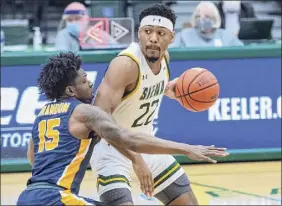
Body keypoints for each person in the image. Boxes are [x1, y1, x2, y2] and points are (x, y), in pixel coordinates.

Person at [16, 52, 228, 206]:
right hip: (57, 198)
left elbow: (33, 156)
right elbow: (127, 138)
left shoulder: (42, 115)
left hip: (28, 195)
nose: (90, 83)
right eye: (84, 81)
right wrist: (185, 148)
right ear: (71, 90)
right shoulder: (84, 112)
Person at [90, 4, 228, 206]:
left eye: (160, 33)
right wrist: (136, 159)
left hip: (146, 143)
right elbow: (98, 121)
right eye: (148, 32)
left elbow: (138, 87)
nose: (153, 38)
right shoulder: (125, 65)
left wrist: (166, 88)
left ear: (171, 38)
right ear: (139, 34)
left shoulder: (164, 59)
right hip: (113, 150)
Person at [170, 1, 244, 48]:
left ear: (215, 19)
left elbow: (242, 52)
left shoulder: (227, 36)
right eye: (198, 16)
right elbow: (170, 53)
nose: (202, 19)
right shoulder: (184, 35)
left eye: (207, 16)